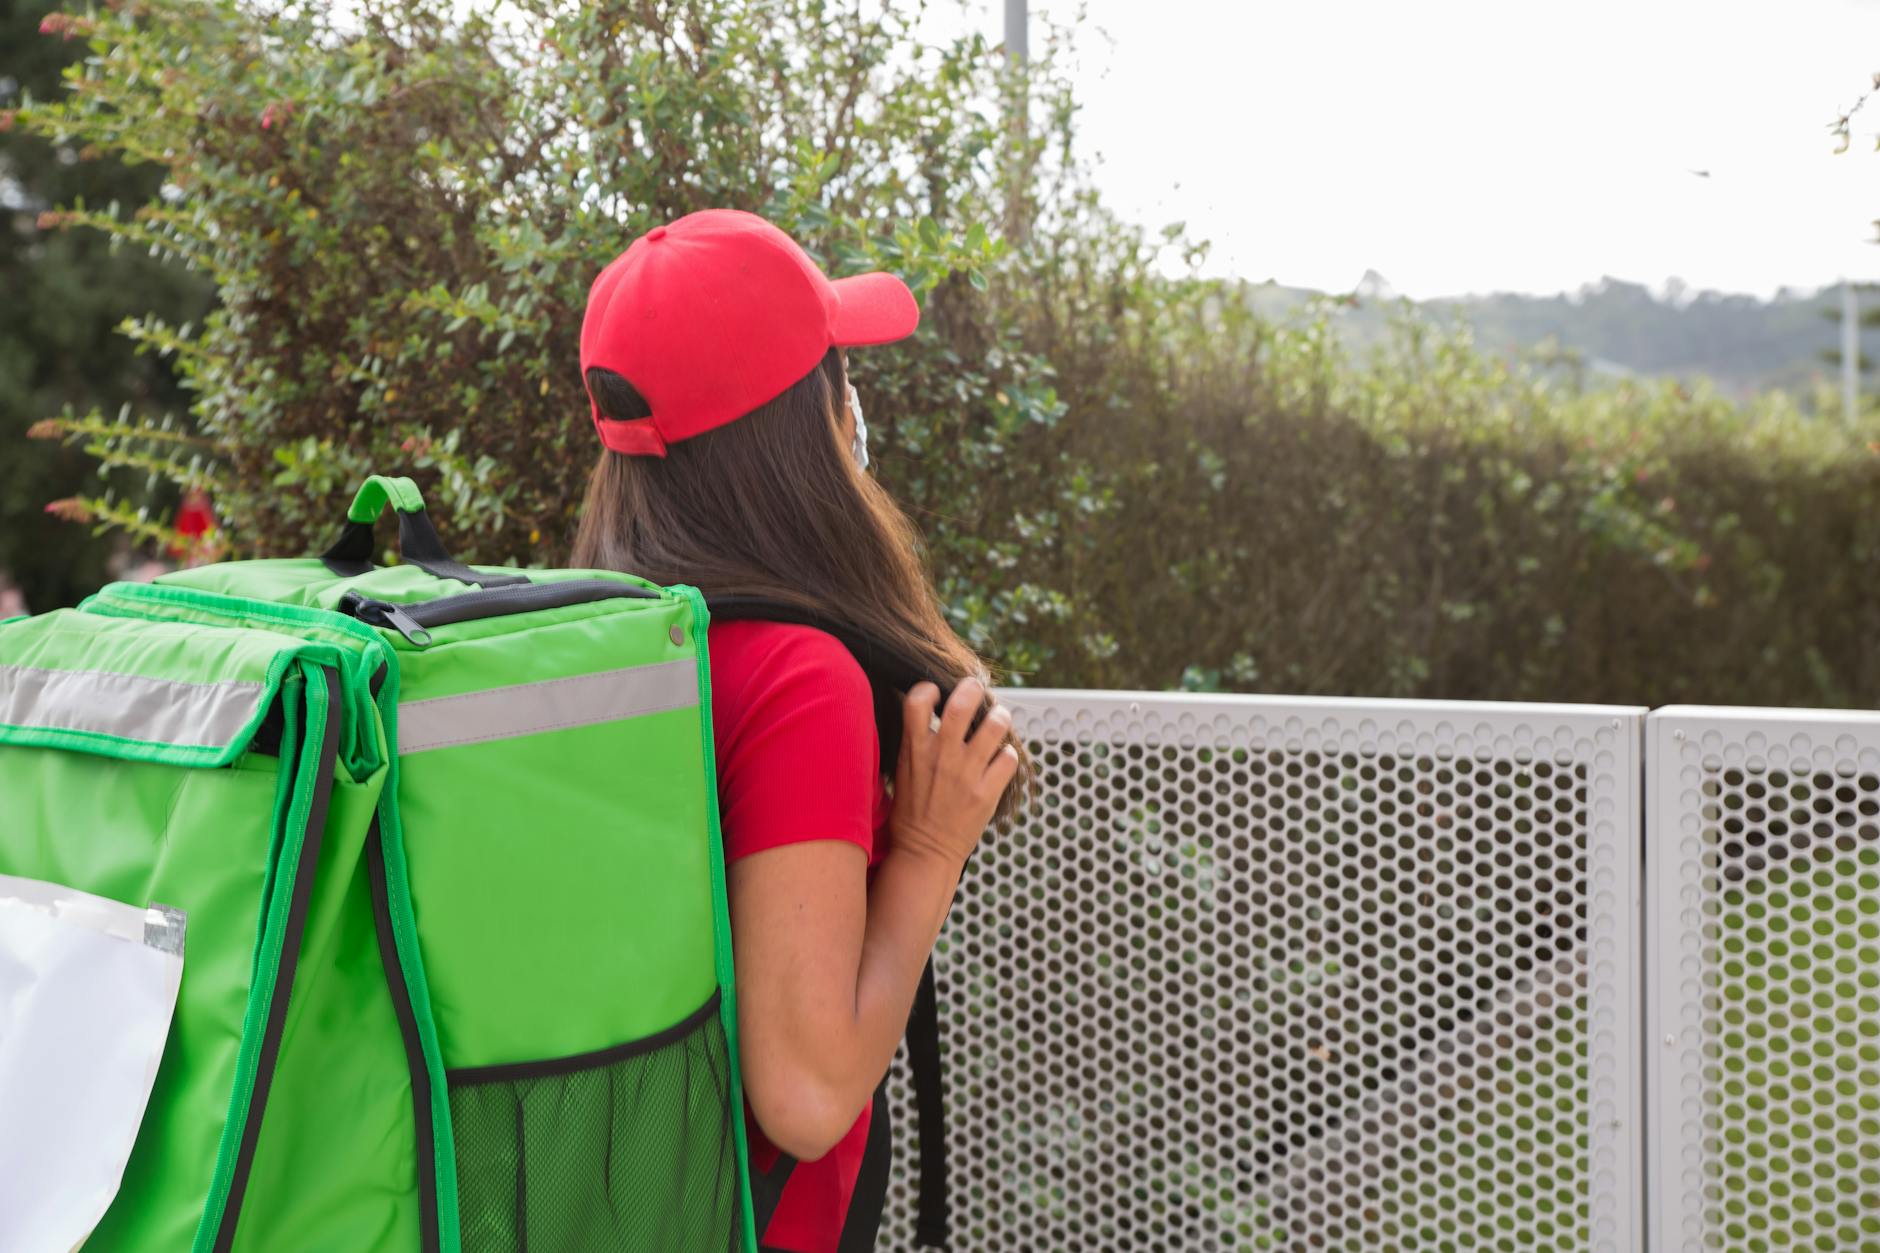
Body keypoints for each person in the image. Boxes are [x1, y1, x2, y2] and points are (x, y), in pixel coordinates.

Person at [569, 207, 1031, 1253]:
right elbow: (806, 1092)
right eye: (837, 370)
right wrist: (924, 848)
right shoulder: (795, 677)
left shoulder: (605, 637)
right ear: (799, 420)